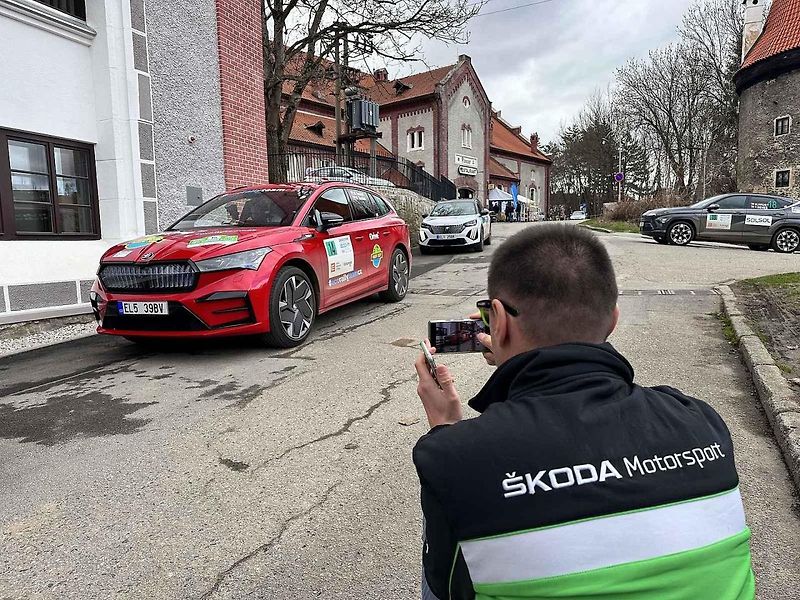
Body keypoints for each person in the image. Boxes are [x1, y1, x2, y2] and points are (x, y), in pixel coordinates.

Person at [413, 224, 754, 600]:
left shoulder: (453, 457)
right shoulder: (703, 422)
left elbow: (448, 588)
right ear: (613, 319)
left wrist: (445, 428)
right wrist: (516, 362)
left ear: (498, 319)